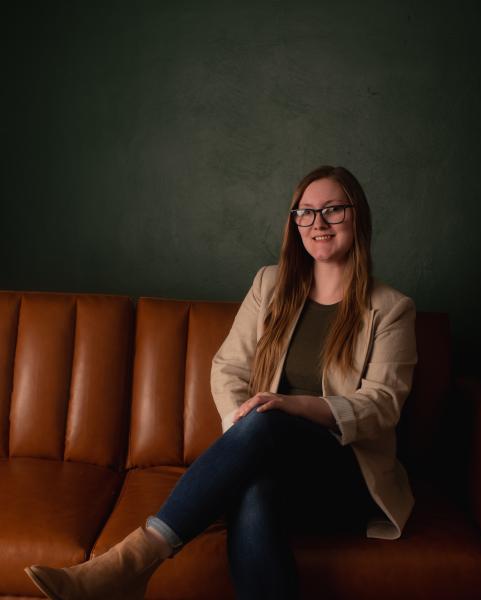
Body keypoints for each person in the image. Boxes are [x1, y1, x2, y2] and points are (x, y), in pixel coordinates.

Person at [24, 165, 418, 600]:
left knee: (267, 422)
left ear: (357, 215)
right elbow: (228, 366)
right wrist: (242, 429)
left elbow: (383, 404)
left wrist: (289, 407)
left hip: (342, 474)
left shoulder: (390, 309)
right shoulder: (270, 285)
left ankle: (133, 562)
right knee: (253, 491)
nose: (317, 223)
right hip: (270, 455)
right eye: (304, 212)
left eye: (332, 210)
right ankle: (128, 569)